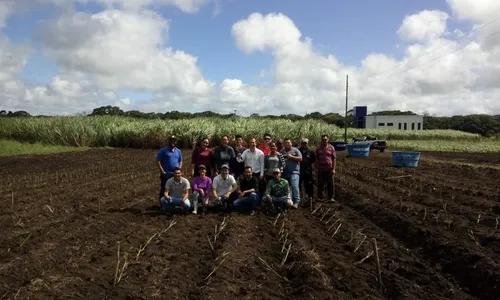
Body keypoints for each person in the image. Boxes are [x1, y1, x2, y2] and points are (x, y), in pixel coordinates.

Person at [156, 135, 183, 204]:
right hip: (166, 173)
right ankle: (162, 204)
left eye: (174, 141)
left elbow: (180, 161)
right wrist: (163, 172)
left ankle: (171, 203)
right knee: (164, 188)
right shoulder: (163, 150)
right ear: (169, 141)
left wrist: (179, 169)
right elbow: (158, 161)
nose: (173, 142)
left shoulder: (178, 151)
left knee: (174, 189)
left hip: (175, 174)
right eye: (171, 140)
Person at [280, 138, 302, 209]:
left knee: (294, 186)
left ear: (291, 143)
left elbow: (300, 158)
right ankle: (290, 201)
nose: (287, 144)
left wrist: (292, 156)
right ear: (284, 144)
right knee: (288, 188)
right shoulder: (282, 151)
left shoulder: (295, 150)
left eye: (289, 143)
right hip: (285, 173)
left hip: (294, 172)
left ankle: (297, 202)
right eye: (286, 143)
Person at [315, 134, 336, 202]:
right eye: (323, 140)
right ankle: (320, 197)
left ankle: (331, 198)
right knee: (320, 184)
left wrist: (333, 169)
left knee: (330, 184)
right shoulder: (318, 148)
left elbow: (334, 159)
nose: (324, 141)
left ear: (328, 140)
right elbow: (316, 159)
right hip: (321, 169)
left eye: (325, 140)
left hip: (329, 169)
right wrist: (316, 168)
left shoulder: (331, 148)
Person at [298, 138, 315, 202]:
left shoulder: (311, 152)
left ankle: (310, 197)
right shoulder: (298, 151)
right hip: (299, 171)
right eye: (303, 143)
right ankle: (299, 197)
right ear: (301, 143)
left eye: (305, 143)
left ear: (307, 143)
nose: (304, 144)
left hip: (308, 171)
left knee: (309, 184)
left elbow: (313, 161)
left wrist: (313, 170)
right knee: (298, 184)